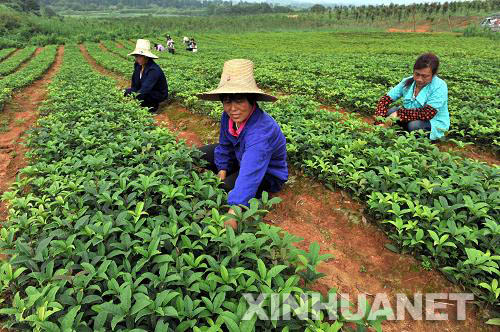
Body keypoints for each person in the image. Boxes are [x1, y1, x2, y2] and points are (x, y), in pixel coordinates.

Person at [197, 59, 288, 230]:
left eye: (239, 101)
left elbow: (251, 172)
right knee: (198, 154)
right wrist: (222, 169)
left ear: (252, 100)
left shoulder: (261, 131)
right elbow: (224, 145)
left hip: (266, 173)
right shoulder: (228, 117)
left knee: (225, 191)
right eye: (227, 101)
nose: (233, 108)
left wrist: (234, 210)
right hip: (241, 156)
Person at [374, 53, 449, 141]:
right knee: (388, 112)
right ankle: (403, 134)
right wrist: (379, 121)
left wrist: (398, 114)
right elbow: (384, 100)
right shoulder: (407, 82)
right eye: (417, 74)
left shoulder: (439, 86)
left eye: (425, 76)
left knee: (414, 126)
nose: (419, 79)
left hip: (432, 122)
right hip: (409, 116)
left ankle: (423, 140)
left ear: (433, 74)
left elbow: (427, 113)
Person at [124, 39, 168, 113]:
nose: (137, 58)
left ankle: (151, 108)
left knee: (145, 96)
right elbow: (134, 85)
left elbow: (145, 89)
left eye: (140, 56)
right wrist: (129, 93)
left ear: (146, 56)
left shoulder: (153, 70)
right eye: (136, 56)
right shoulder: (138, 66)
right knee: (126, 92)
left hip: (155, 93)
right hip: (144, 90)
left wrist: (133, 102)